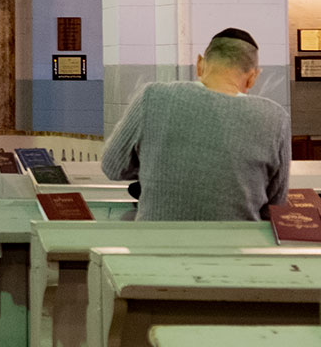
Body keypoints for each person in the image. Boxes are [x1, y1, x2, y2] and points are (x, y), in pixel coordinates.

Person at [99, 31, 290, 221]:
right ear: (252, 77)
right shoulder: (275, 118)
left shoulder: (152, 96)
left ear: (200, 64)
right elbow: (275, 204)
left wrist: (157, 164)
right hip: (236, 246)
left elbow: (113, 167)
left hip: (156, 245)